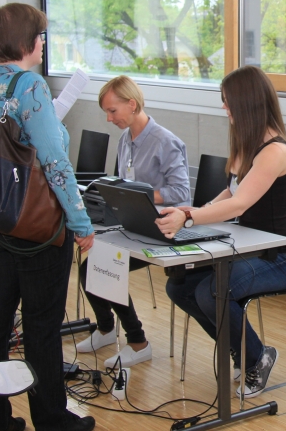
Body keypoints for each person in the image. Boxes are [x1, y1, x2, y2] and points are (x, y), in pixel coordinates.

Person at [0, 3, 96, 431]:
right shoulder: (31, 86)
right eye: (40, 36)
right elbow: (56, 163)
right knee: (41, 329)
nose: (43, 43)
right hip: (35, 230)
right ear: (27, 42)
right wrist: (80, 223)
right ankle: (53, 420)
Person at [158, 65, 286, 399]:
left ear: (246, 103)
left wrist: (191, 217)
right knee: (178, 288)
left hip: (282, 256)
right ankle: (242, 349)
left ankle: (257, 357)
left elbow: (239, 205)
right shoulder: (247, 144)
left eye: (228, 103)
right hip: (247, 247)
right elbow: (230, 192)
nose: (225, 109)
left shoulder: (276, 151)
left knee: (211, 292)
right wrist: (191, 213)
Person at [76, 75, 190, 368]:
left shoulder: (166, 141)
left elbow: (181, 192)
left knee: (103, 269)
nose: (108, 118)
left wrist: (139, 195)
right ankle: (106, 328)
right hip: (132, 225)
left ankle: (138, 342)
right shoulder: (126, 140)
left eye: (113, 111)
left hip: (161, 230)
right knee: (89, 269)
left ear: (132, 103)